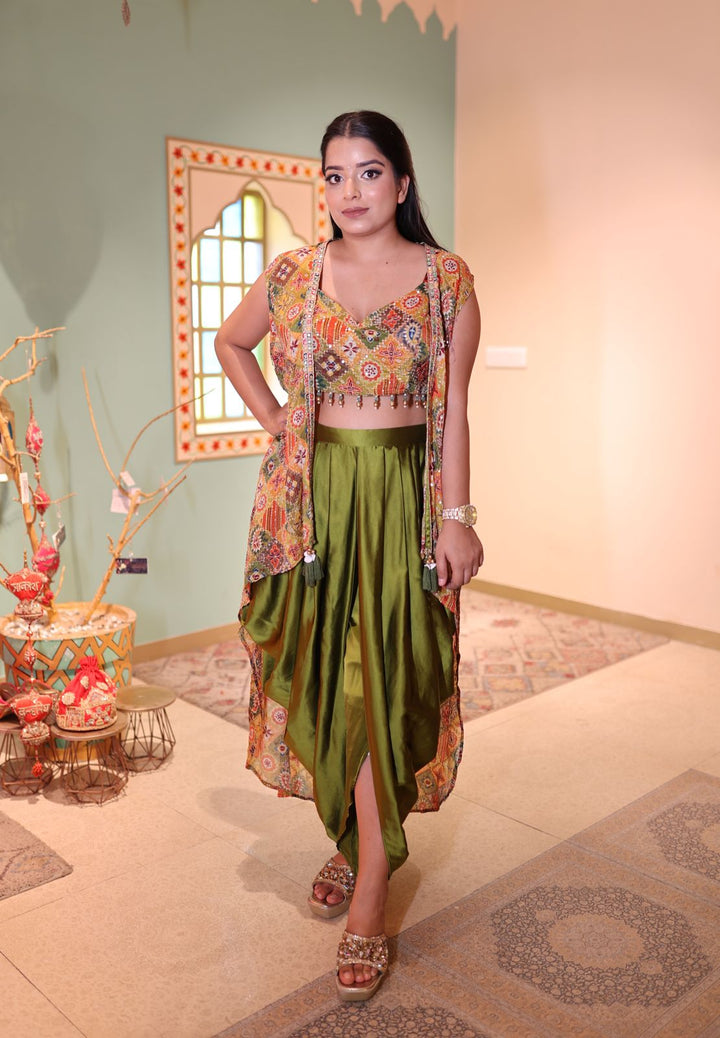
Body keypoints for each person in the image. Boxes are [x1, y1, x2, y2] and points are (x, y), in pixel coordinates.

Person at [215, 110, 483, 1002]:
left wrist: (457, 518)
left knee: (389, 680)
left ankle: (370, 881)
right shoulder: (295, 275)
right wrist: (279, 423)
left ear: (402, 183)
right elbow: (231, 342)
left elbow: (455, 410)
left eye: (369, 173)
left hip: (403, 503)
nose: (350, 192)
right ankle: (359, 844)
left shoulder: (446, 280)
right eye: (334, 176)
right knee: (332, 679)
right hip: (314, 509)